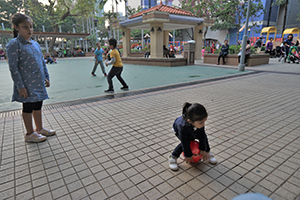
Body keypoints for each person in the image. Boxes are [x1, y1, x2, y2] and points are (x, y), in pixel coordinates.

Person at [6, 13, 55, 143]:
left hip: (39, 82)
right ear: (16, 27)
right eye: (25, 27)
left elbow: (42, 62)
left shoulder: (35, 44)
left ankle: (39, 129)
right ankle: (29, 133)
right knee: (28, 107)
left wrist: (46, 77)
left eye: (31, 27)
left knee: (38, 104)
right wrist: (20, 87)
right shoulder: (13, 45)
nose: (30, 30)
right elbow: (13, 68)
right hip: (26, 84)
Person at [169, 102, 217, 171]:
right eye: (201, 122)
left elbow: (202, 136)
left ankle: (208, 153)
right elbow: (184, 142)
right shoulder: (182, 126)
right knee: (187, 141)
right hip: (178, 130)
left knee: (203, 136)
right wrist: (188, 154)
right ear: (190, 121)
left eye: (204, 121)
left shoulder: (199, 124)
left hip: (193, 128)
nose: (203, 124)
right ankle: (173, 157)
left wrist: (203, 149)